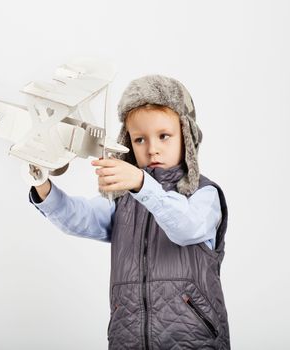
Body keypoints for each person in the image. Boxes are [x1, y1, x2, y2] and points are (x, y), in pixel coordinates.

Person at [28, 75, 230, 349]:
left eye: (164, 136)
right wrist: (42, 185)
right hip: (128, 339)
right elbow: (80, 218)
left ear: (186, 135)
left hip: (193, 341)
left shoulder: (204, 195)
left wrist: (142, 184)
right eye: (139, 139)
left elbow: (186, 227)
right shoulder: (125, 200)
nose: (152, 148)